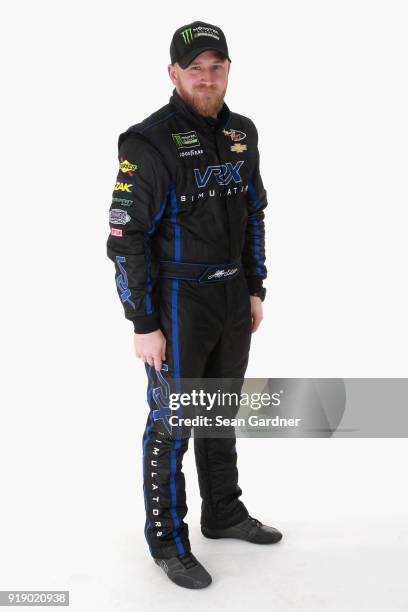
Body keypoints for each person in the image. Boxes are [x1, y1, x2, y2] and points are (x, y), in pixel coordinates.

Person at [107, 20, 282, 589]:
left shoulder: (242, 134)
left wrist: (255, 287)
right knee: (173, 422)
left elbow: (254, 212)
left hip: (232, 299)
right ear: (174, 74)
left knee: (219, 413)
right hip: (178, 301)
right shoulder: (148, 142)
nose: (206, 78)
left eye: (216, 67)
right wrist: (143, 321)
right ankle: (167, 541)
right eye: (194, 69)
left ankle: (224, 512)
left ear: (229, 69)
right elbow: (123, 238)